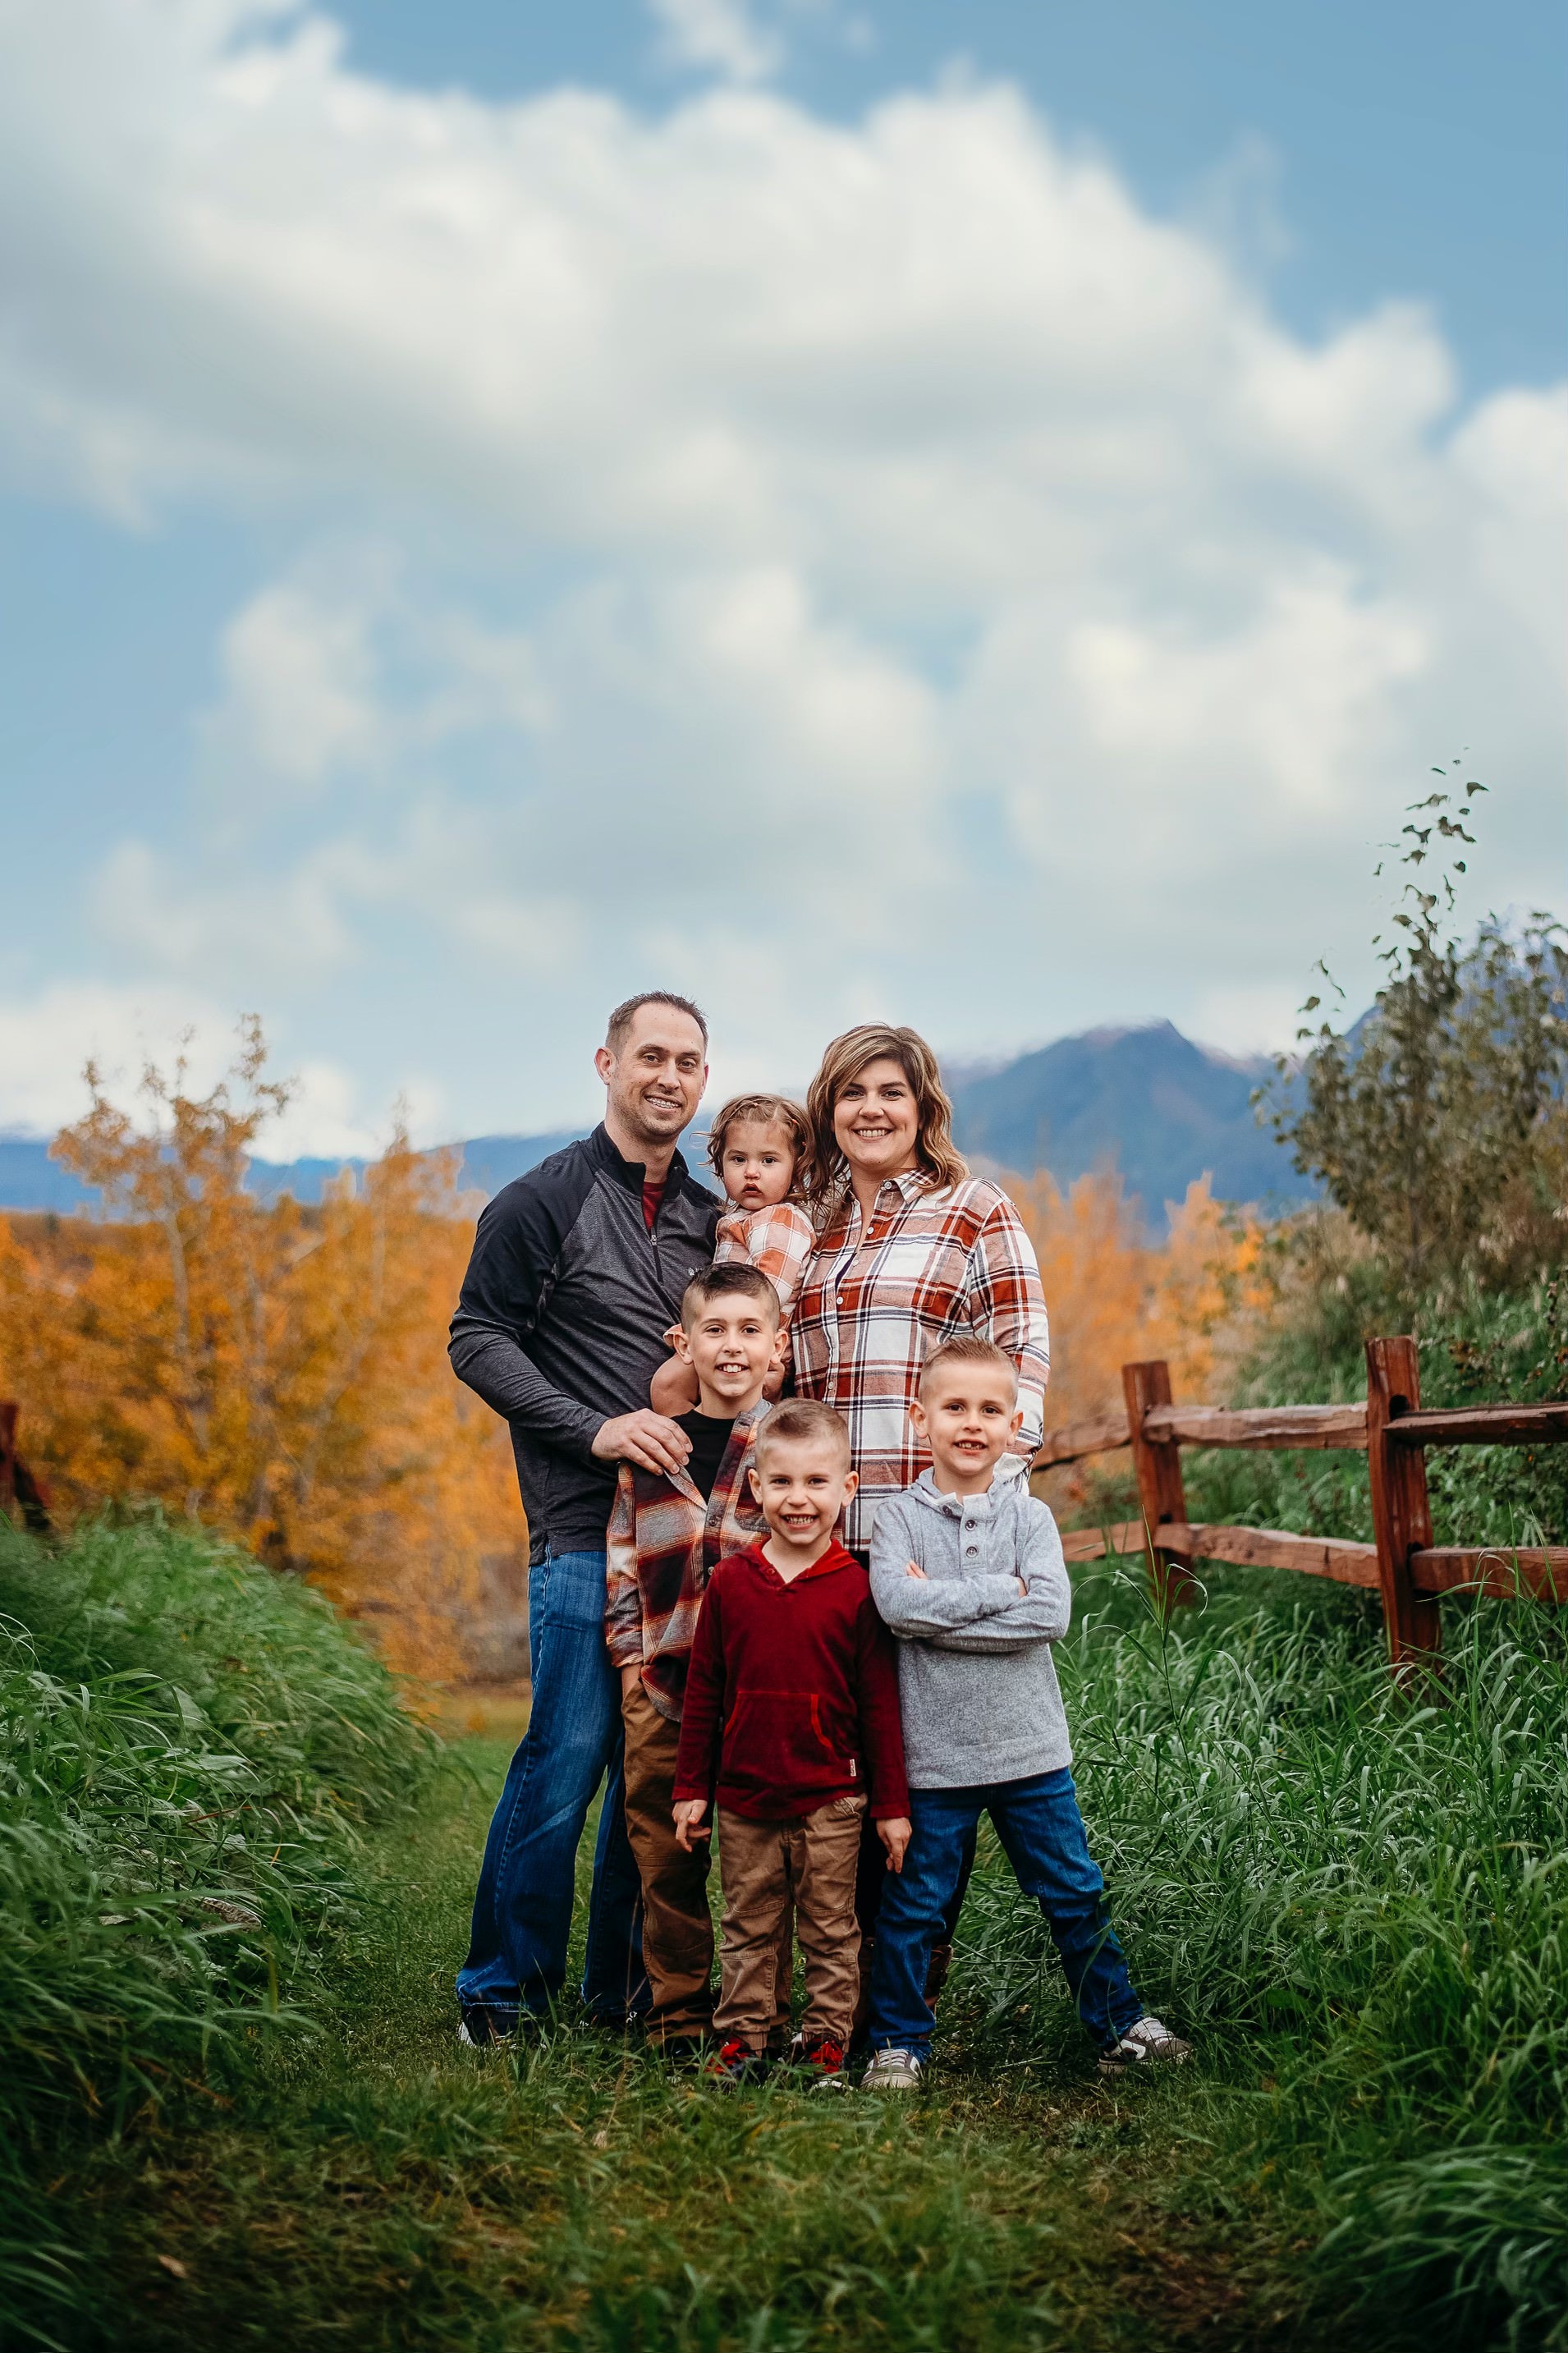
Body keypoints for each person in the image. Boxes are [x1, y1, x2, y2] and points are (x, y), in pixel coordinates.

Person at [447, 992, 722, 2043]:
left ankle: (621, 1990)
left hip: (682, 1534)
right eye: (650, 1055)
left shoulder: (709, 1219)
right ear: (606, 1062)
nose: (668, 1075)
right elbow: (476, 1339)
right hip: (575, 1523)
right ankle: (499, 1991)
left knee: (650, 1773)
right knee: (565, 1759)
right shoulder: (539, 1200)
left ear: (702, 1080)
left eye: (688, 1061)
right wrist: (594, 1428)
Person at [789, 1021, 1052, 2020]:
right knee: (836, 1769)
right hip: (827, 1542)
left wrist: (981, 1514)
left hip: (933, 1543)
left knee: (927, 1778)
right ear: (829, 1107)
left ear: (922, 1105)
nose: (871, 1109)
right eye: (852, 1092)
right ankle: (832, 1991)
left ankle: (904, 1997)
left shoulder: (971, 1209)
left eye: (890, 1091)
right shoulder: (807, 1226)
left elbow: (1021, 1366)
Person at [863, 1337, 1190, 2089]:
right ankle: (898, 2043)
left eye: (990, 1409)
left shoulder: (1032, 1520)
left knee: (1073, 1891)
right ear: (921, 1420)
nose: (971, 1424)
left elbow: (1049, 1615)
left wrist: (946, 1610)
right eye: (954, 1408)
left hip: (1031, 1754)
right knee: (916, 1906)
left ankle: (1119, 2024)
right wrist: (998, 1592)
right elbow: (896, 1606)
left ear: (1015, 1426)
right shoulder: (897, 1522)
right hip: (936, 1759)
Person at [671, 1400, 911, 2089]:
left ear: (848, 1488)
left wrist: (890, 1806)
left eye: (816, 1483)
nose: (798, 1499)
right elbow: (704, 1694)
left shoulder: (860, 1591)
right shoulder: (730, 1585)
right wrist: (692, 1789)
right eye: (781, 1483)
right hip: (745, 1797)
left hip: (833, 1799)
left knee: (831, 1928)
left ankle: (827, 2042)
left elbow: (879, 1708)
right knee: (748, 1925)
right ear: (755, 1488)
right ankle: (745, 2038)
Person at [604, 1261, 782, 2057]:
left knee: (759, 1864)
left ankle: (756, 2018)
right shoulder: (651, 1451)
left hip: (760, 1693)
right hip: (664, 1683)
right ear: (685, 1342)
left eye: (749, 1329)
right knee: (662, 1854)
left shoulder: (786, 1445)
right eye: (714, 1329)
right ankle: (676, 2016)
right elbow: (621, 1564)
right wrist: (629, 1667)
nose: (732, 1346)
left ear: (775, 1345)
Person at [649, 1094, 814, 1418]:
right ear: (721, 1165)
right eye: (738, 1159)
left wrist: (697, 1329)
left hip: (750, 1341)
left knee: (668, 1385)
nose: (752, 1172)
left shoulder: (779, 1219)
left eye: (769, 1161)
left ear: (795, 1167)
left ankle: (683, 1458)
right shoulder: (741, 1218)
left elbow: (768, 1290)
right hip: (736, 1336)